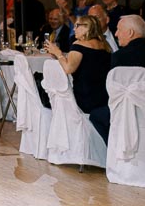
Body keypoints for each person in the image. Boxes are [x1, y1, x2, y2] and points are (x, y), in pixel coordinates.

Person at [46, 13, 112, 141]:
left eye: (77, 26)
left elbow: (68, 68)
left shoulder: (79, 45)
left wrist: (58, 53)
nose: (74, 29)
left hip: (86, 98)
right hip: (105, 96)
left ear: (87, 28)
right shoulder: (104, 45)